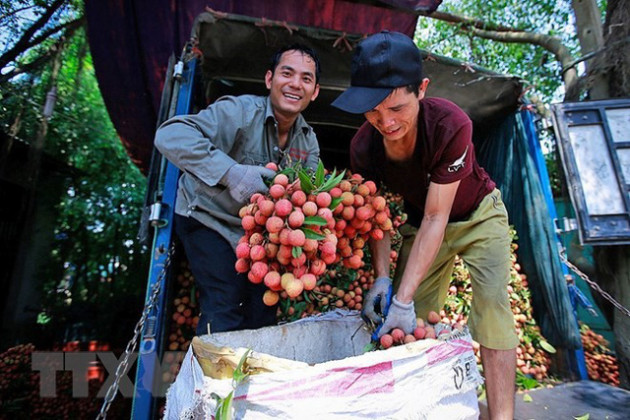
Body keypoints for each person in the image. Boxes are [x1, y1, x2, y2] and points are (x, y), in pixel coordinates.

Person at [332, 31, 518, 419]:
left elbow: (440, 215)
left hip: (478, 216)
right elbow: (375, 216)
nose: (385, 121)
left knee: (492, 309)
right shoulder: (364, 146)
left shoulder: (451, 124)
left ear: (422, 90)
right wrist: (383, 279)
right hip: (421, 223)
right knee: (410, 323)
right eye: (373, 111)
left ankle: (503, 416)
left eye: (397, 107)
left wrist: (402, 298)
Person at [155, 44, 321, 335]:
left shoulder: (308, 143)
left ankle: (253, 379)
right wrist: (230, 173)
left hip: (256, 234)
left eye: (306, 79)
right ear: (270, 80)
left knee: (262, 313)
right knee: (226, 301)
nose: (296, 84)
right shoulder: (239, 112)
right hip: (208, 217)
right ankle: (213, 379)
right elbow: (170, 134)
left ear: (315, 91)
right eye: (287, 73)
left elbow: (303, 203)